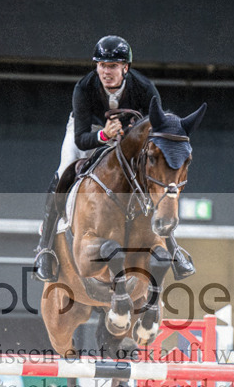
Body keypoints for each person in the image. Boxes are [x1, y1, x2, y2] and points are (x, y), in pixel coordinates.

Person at [33, 35, 194, 283]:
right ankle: (44, 249)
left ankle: (172, 246)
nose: (106, 72)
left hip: (129, 137)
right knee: (64, 168)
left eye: (112, 66)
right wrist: (103, 135)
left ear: (125, 68)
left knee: (150, 179)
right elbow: (81, 140)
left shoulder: (145, 88)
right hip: (88, 131)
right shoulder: (83, 88)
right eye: (102, 65)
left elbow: (157, 130)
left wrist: (130, 137)